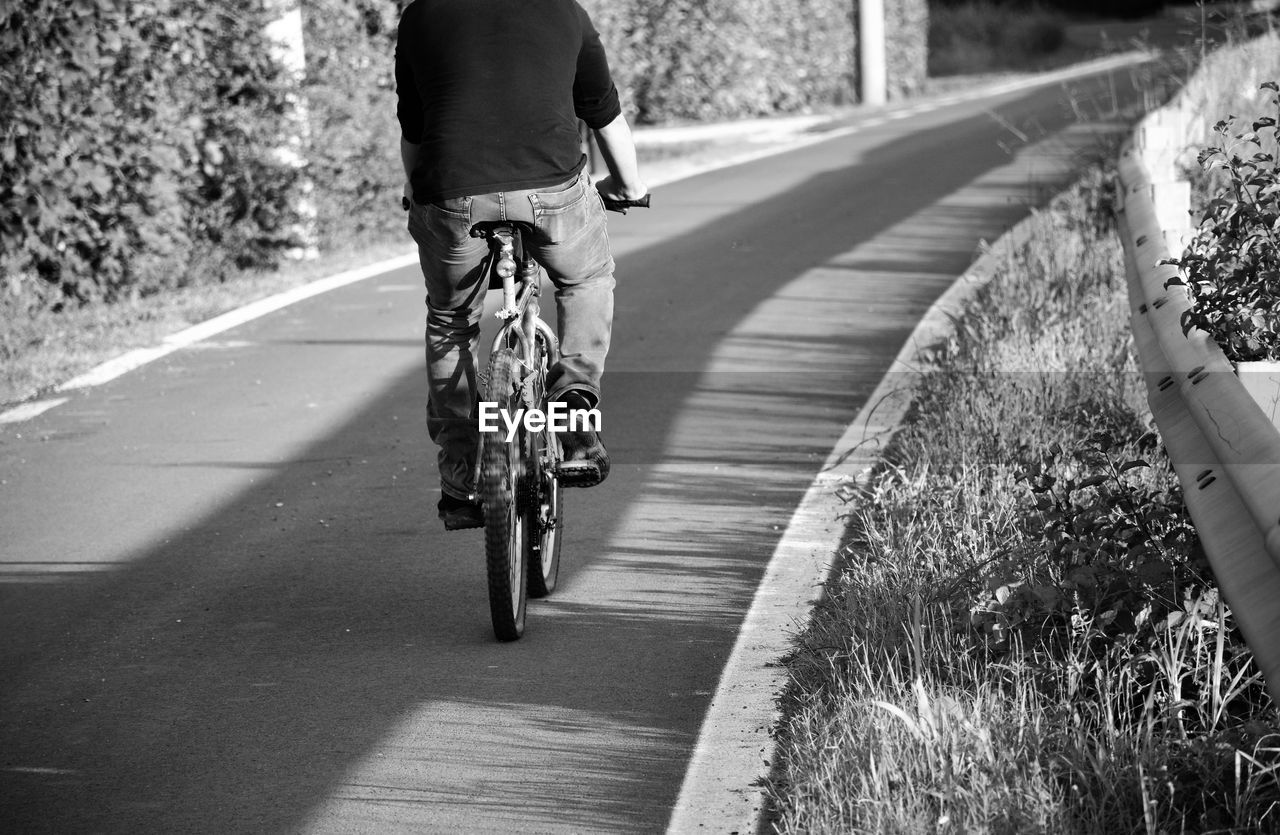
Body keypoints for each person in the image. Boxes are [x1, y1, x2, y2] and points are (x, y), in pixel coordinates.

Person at [395, 0, 648, 530]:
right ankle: (574, 409)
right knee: (585, 278)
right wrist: (628, 187)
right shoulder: (566, 13)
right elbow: (603, 114)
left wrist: (416, 192)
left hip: (451, 194)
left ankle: (463, 479)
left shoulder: (421, 15)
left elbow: (415, 128)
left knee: (451, 319)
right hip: (551, 189)